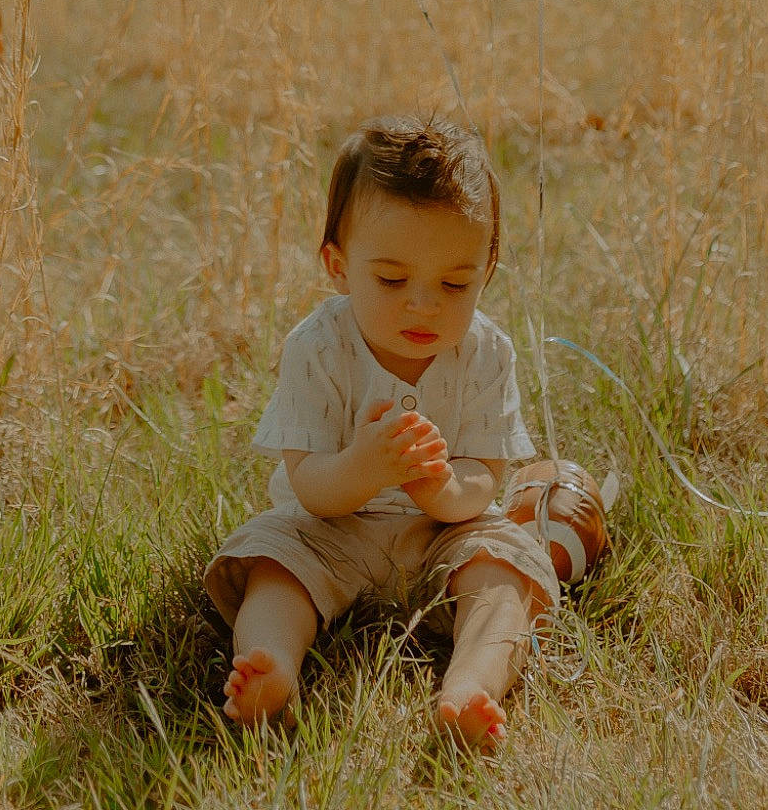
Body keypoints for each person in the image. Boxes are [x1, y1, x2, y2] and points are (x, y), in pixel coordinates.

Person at [204, 115, 558, 748]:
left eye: (455, 283)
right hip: (331, 529)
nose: (423, 305)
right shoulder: (317, 347)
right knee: (275, 566)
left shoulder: (487, 351)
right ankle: (271, 663)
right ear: (338, 267)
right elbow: (308, 484)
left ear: (488, 269)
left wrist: (443, 489)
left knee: (506, 571)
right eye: (391, 280)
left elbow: (484, 476)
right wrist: (364, 468)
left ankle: (469, 687)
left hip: (440, 534)